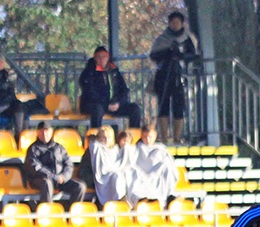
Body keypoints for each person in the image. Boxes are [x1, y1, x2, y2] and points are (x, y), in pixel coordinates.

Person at [150, 11, 199, 144]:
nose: (175, 24)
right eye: (172, 22)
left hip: (179, 77)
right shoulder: (162, 39)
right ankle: (164, 138)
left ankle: (177, 138)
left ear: (182, 23)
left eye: (177, 22)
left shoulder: (187, 38)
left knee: (178, 108)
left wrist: (180, 56)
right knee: (163, 107)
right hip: (163, 77)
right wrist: (167, 53)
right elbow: (153, 55)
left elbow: (193, 55)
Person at [23, 121, 86, 208]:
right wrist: (54, 177)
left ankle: (71, 215)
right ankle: (48, 215)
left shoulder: (59, 147)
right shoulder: (33, 149)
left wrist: (64, 177)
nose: (44, 133)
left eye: (46, 130)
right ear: (37, 132)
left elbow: (69, 165)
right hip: (40, 179)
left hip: (60, 179)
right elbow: (36, 167)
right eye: (42, 131)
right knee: (47, 184)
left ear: (51, 132)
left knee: (80, 186)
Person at [78, 46, 142, 129]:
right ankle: (97, 136)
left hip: (114, 105)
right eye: (98, 57)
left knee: (135, 109)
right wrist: (106, 105)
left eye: (104, 57)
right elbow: (89, 93)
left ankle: (134, 136)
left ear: (108, 57)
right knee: (98, 109)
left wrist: (119, 103)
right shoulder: (89, 72)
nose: (102, 59)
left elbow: (124, 90)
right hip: (95, 105)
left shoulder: (114, 71)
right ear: (94, 58)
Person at [133, 124, 178, 202]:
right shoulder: (136, 149)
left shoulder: (161, 149)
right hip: (142, 177)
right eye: (145, 137)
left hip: (159, 177)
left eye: (150, 137)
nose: (147, 139)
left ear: (155, 136)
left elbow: (169, 163)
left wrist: (157, 171)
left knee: (167, 165)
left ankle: (169, 196)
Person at [0, 53, 24, 133]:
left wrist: (8, 99)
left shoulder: (7, 77)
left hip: (6, 104)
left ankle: (18, 135)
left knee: (19, 107)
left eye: (2, 62)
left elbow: (11, 93)